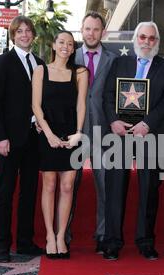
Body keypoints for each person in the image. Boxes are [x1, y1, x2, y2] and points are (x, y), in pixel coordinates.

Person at [102, 21, 164, 260]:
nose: (146, 42)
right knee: (115, 188)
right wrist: (114, 121)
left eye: (151, 38)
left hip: (151, 135)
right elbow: (107, 95)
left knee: (148, 189)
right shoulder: (119, 62)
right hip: (120, 134)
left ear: (157, 42)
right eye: (143, 37)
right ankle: (112, 241)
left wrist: (147, 124)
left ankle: (145, 241)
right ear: (135, 39)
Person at [0, 16, 45, 263]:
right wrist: (0, 137)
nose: (24, 35)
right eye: (19, 31)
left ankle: (24, 242)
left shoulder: (41, 64)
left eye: (28, 31)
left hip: (35, 139)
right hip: (10, 140)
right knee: (5, 192)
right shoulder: (3, 62)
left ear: (33, 35)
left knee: (29, 191)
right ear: (13, 35)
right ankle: (2, 245)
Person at [32, 30, 88, 259]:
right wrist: (48, 134)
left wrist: (78, 133)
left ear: (74, 49)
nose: (66, 46)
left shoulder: (80, 72)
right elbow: (36, 106)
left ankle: (61, 235)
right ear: (54, 45)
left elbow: (81, 105)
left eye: (70, 43)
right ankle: (48, 235)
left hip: (71, 136)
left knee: (67, 187)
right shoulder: (40, 70)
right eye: (61, 42)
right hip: (47, 135)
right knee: (50, 185)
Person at [65, 12, 117, 254]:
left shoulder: (113, 59)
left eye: (96, 29)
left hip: (104, 131)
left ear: (103, 32)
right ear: (81, 30)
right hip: (72, 131)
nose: (91, 33)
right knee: (68, 184)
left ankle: (103, 234)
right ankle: (63, 233)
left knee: (105, 184)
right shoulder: (68, 57)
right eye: (87, 29)